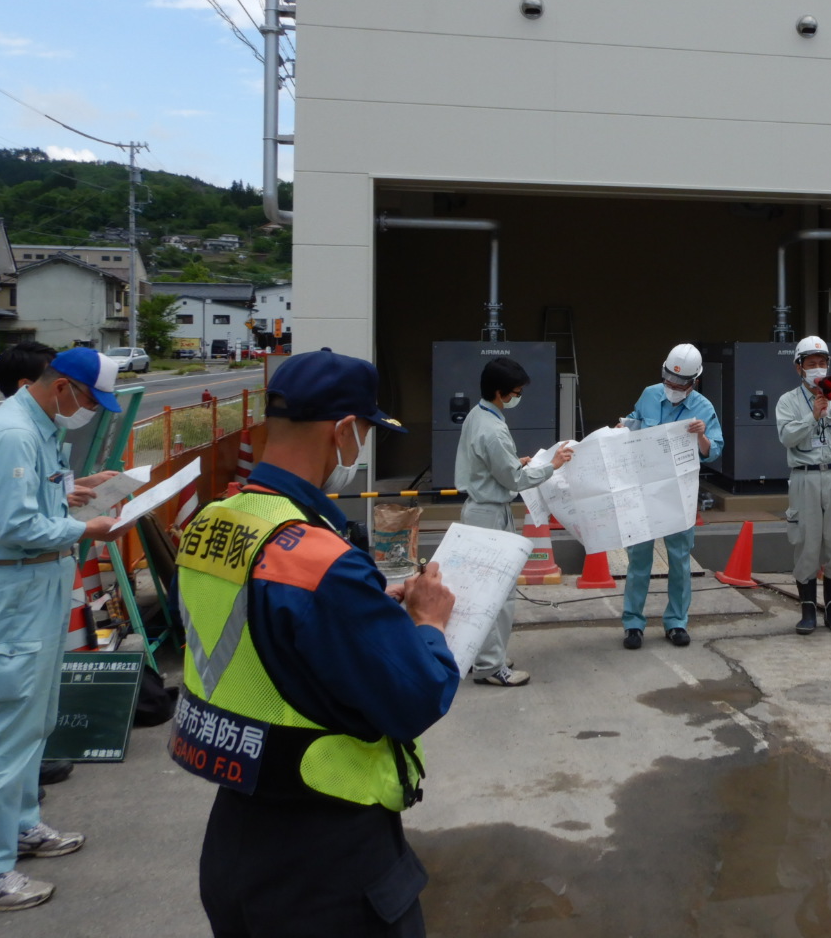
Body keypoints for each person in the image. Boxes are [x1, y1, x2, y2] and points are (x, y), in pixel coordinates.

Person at [173, 347, 462, 937]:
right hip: (327, 857)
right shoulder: (321, 560)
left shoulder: (214, 521)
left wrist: (363, 610)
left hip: (235, 834)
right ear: (345, 431)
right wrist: (428, 623)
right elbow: (416, 696)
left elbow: (260, 629)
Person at [0, 347, 124, 912]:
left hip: (37, 585)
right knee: (4, 728)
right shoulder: (14, 436)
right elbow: (13, 522)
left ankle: (19, 825)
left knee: (34, 718)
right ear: (63, 387)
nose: (89, 411)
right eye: (91, 400)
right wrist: (86, 526)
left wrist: (78, 489)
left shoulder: (38, 428)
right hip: (19, 589)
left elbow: (31, 501)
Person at [454, 356, 572, 686]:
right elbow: (515, 480)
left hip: (479, 509)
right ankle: (491, 667)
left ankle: (484, 656)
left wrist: (512, 463)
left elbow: (498, 467)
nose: (517, 397)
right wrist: (554, 464)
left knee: (481, 591)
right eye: (515, 392)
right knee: (499, 593)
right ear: (499, 391)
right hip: (490, 514)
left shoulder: (478, 416)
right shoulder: (492, 429)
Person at [618, 343, 724, 650]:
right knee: (639, 559)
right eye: (669, 381)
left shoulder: (703, 409)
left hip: (679, 492)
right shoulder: (650, 394)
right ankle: (633, 624)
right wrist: (622, 426)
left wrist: (702, 435)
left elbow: (714, 451)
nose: (673, 388)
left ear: (695, 381)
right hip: (644, 489)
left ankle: (677, 622)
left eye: (681, 384)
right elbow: (635, 421)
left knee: (679, 560)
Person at [775, 336, 831, 636]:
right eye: (811, 364)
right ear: (798, 367)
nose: (818, 369)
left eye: (822, 364)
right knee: (807, 544)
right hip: (805, 477)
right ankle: (808, 611)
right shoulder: (787, 401)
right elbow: (786, 438)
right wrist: (812, 418)